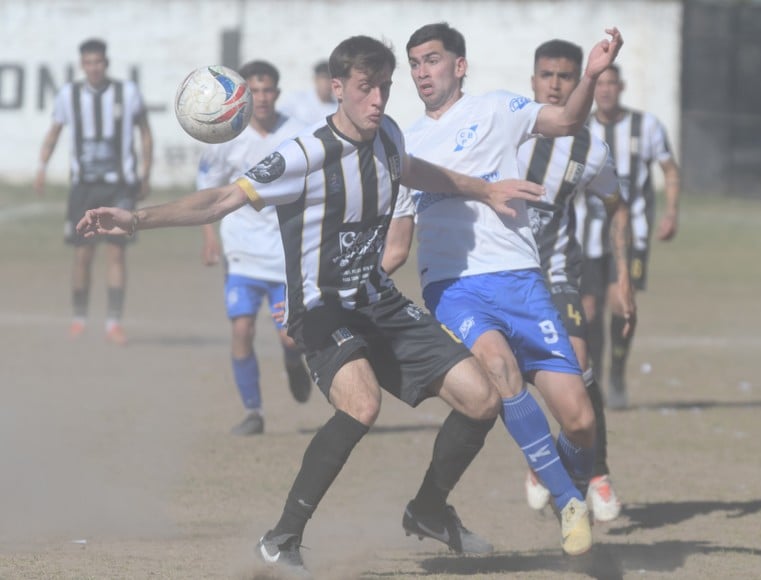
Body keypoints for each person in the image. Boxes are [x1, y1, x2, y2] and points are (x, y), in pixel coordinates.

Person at [77, 35, 549, 576]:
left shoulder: (390, 135)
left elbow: (415, 171)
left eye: (385, 88)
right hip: (321, 310)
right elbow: (220, 200)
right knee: (362, 405)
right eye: (366, 88)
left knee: (482, 399)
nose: (378, 100)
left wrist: (481, 189)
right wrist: (136, 218)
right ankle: (281, 539)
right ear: (338, 88)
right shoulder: (303, 156)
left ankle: (428, 511)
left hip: (378, 301)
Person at [384, 22, 622, 556]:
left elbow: (566, 118)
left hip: (520, 279)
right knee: (498, 370)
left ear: (459, 65)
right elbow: (398, 246)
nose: (423, 72)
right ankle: (568, 503)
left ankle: (571, 486)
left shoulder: (495, 108)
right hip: (453, 287)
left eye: (433, 60)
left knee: (580, 420)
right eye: (416, 63)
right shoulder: (403, 146)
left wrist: (590, 76)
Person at [516, 39, 635, 523]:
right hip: (503, 275)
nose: (556, 83)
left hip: (559, 274)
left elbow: (616, 206)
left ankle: (593, 473)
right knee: (506, 379)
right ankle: (542, 462)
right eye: (547, 74)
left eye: (566, 75)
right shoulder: (508, 129)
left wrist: (623, 277)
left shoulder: (590, 147)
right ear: (533, 80)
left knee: (579, 372)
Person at [197, 60, 312, 436]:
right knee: (242, 330)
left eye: (268, 91)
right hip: (242, 254)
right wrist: (209, 235)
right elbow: (209, 188)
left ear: (277, 94)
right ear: (242, 94)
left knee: (289, 336)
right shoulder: (226, 134)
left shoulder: (297, 133)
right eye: (255, 91)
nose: (262, 98)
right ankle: (253, 412)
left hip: (284, 256)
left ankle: (294, 362)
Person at [35, 38, 153, 345]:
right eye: (88, 63)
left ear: (106, 63)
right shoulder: (68, 95)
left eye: (98, 62)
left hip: (120, 186)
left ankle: (114, 322)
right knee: (83, 254)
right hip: (84, 187)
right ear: (82, 65)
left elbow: (145, 133)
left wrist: (146, 173)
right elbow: (55, 132)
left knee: (116, 252)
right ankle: (79, 318)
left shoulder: (127, 93)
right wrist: (42, 167)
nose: (94, 68)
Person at [584, 64, 681, 409]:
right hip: (586, 235)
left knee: (619, 303)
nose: (606, 90)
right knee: (589, 310)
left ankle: (618, 376)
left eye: (612, 83)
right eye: (601, 84)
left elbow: (669, 169)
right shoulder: (581, 127)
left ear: (621, 87)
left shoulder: (647, 126)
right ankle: (593, 375)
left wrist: (671, 212)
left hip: (633, 234)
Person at [278, 60, 338, 126]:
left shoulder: (339, 107)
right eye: (325, 77)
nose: (329, 82)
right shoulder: (296, 99)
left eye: (333, 79)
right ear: (315, 79)